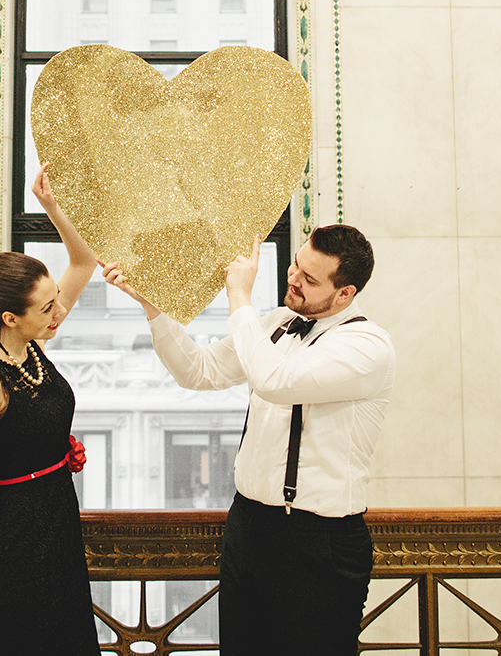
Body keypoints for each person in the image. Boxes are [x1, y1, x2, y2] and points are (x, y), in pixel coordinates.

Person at [103, 224, 394, 656]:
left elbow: (276, 380)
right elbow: (198, 371)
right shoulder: (278, 323)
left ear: (345, 293)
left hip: (319, 540)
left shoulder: (368, 346)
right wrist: (152, 305)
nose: (293, 278)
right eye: (297, 264)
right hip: (249, 528)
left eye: (311, 279)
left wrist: (239, 296)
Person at [0, 166, 102, 655]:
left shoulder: (32, 344)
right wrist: (11, 521)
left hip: (58, 521)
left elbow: (85, 260)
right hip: (15, 542)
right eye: (48, 307)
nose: (59, 312)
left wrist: (52, 207)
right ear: (11, 317)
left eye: (56, 301)